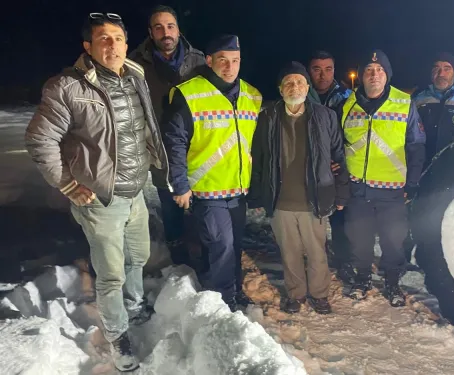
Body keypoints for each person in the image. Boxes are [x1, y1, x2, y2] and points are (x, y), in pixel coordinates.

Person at [24, 13, 169, 372]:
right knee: (111, 274)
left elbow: (142, 126)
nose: (113, 46)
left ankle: (134, 305)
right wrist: (67, 183)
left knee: (139, 256)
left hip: (135, 190)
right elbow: (40, 138)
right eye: (104, 39)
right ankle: (119, 336)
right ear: (87, 47)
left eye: (118, 38)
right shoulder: (67, 87)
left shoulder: (134, 75)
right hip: (100, 198)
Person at [162, 34, 261, 311]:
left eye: (235, 61)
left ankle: (232, 289)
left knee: (234, 245)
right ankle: (222, 301)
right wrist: (180, 184)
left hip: (238, 190)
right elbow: (175, 143)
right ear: (209, 61)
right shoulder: (189, 94)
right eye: (222, 61)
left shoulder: (252, 96)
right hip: (207, 189)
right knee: (222, 245)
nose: (229, 67)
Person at [248, 61, 349, 314]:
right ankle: (296, 294)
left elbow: (338, 155)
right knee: (289, 252)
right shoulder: (267, 117)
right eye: (289, 83)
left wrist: (341, 191)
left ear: (307, 86)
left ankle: (319, 294)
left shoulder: (325, 117)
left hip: (314, 198)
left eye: (300, 82)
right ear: (280, 89)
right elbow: (259, 158)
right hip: (280, 200)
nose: (295, 87)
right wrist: (257, 195)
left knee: (317, 252)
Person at [339, 50, 425, 307]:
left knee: (393, 241)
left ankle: (392, 282)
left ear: (387, 75)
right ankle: (362, 278)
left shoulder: (404, 103)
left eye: (379, 70)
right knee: (359, 238)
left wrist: (412, 183)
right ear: (362, 75)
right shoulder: (347, 105)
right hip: (358, 189)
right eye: (368, 70)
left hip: (392, 190)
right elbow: (339, 145)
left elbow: (416, 145)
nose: (374, 74)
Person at [128, 5, 205, 266]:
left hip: (196, 146)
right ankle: (178, 257)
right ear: (151, 33)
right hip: (158, 146)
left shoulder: (198, 60)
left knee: (198, 203)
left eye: (170, 26)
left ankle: (201, 250)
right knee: (169, 202)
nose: (165, 32)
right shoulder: (135, 64)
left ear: (178, 29)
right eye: (158, 27)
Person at [404, 52, 454, 261]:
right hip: (421, 169)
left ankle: (439, 260)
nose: (441, 73)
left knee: (447, 217)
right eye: (436, 68)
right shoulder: (419, 98)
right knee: (414, 215)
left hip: (452, 170)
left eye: (446, 68)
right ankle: (403, 258)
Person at [308, 50, 356, 284]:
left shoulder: (348, 98)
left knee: (341, 218)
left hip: (338, 167)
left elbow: (355, 133)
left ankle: (344, 261)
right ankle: (314, 261)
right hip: (309, 169)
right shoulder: (301, 94)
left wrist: (342, 161)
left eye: (328, 69)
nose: (322, 75)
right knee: (311, 219)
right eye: (317, 69)